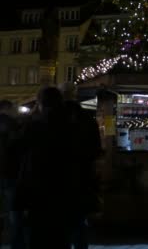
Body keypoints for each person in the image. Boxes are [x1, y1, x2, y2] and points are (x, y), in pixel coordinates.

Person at [16, 87, 77, 248]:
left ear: (41, 103)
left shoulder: (34, 125)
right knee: (61, 234)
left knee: (38, 233)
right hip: (64, 186)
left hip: (38, 186)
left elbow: (18, 150)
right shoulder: (70, 124)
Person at [60, 83, 103, 249]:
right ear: (75, 95)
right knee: (79, 221)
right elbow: (96, 149)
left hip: (57, 176)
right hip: (82, 174)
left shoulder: (53, 116)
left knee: (60, 222)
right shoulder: (86, 118)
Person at [0, 100, 26, 249]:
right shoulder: (16, 125)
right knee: (15, 212)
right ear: (8, 109)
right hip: (11, 172)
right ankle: (17, 244)